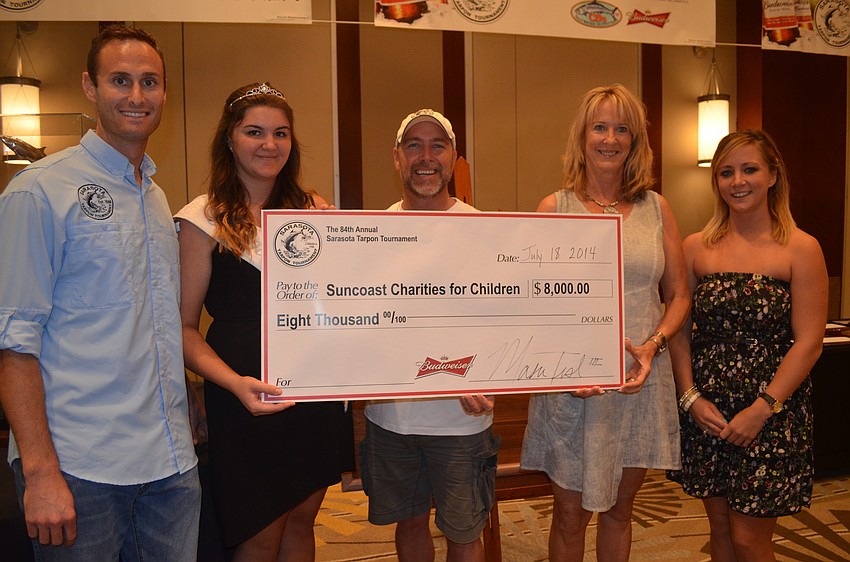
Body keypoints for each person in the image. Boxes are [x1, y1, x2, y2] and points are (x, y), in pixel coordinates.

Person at [0, 25, 200, 561]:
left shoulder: (155, 197)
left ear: (165, 92)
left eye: (150, 82)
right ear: (90, 86)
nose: (137, 96)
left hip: (170, 467)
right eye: (120, 80)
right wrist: (40, 472)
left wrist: (185, 396)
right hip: (79, 468)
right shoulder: (38, 191)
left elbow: (150, 319)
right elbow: (14, 343)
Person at [175, 82, 353, 562]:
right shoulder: (201, 219)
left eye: (280, 133)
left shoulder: (311, 211)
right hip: (244, 397)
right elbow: (183, 328)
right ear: (230, 139)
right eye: (254, 132)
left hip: (313, 390)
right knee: (259, 533)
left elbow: (337, 302)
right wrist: (234, 384)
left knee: (302, 522)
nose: (269, 144)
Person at [520, 84, 690, 561]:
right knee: (569, 515)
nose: (610, 139)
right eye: (599, 127)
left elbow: (679, 295)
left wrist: (654, 344)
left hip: (639, 381)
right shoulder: (555, 208)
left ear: (636, 141)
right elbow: (532, 304)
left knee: (620, 510)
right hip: (571, 389)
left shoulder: (657, 209)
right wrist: (562, 369)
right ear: (582, 136)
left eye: (622, 129)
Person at [667, 130, 827, 562]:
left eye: (750, 169)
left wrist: (762, 409)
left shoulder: (802, 248)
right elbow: (678, 331)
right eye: (726, 173)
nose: (737, 182)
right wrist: (689, 397)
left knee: (749, 540)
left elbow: (809, 343)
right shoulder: (695, 247)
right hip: (708, 412)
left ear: (773, 175)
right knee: (720, 531)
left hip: (771, 413)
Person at [359, 108, 500, 562]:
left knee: (465, 529)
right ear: (397, 158)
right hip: (391, 418)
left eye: (437, 146)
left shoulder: (485, 231)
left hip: (462, 418)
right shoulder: (369, 234)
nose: (426, 156)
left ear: (453, 158)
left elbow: (503, 318)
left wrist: (493, 376)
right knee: (409, 521)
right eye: (414, 146)